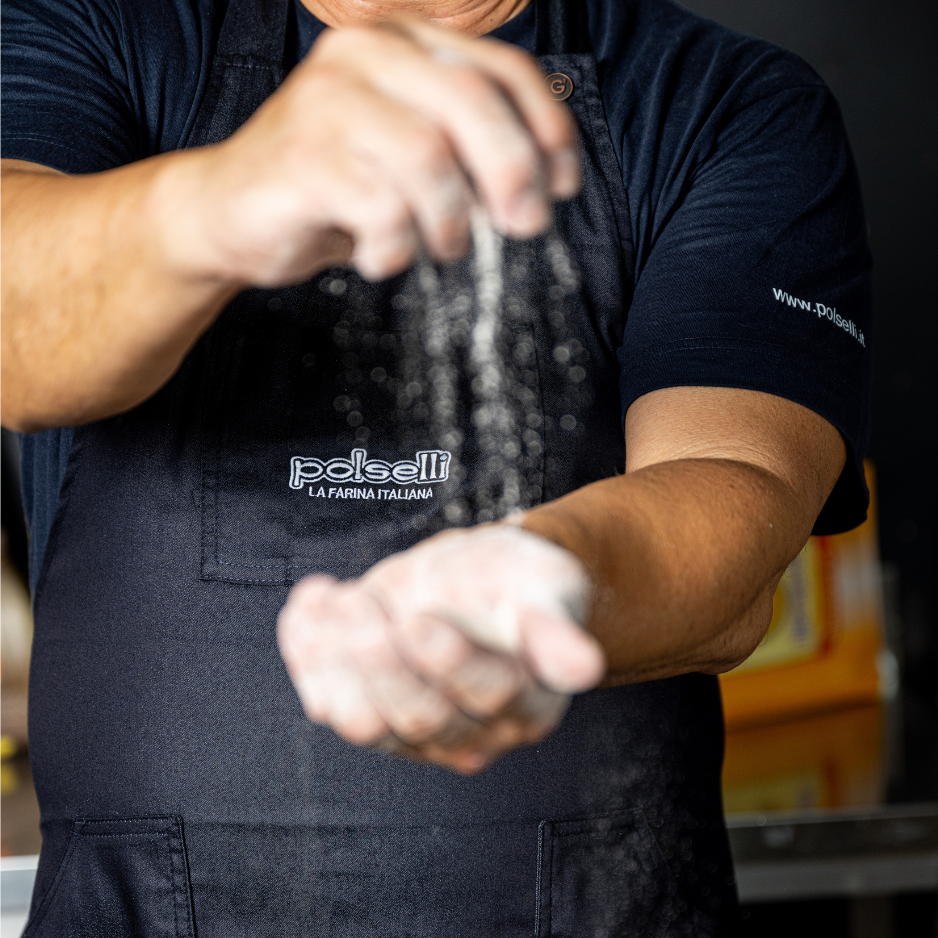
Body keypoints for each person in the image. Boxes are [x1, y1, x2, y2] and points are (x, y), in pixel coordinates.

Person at [1, 0, 871, 932]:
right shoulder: (91, 30)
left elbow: (739, 484)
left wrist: (552, 581)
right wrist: (218, 201)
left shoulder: (723, 100)